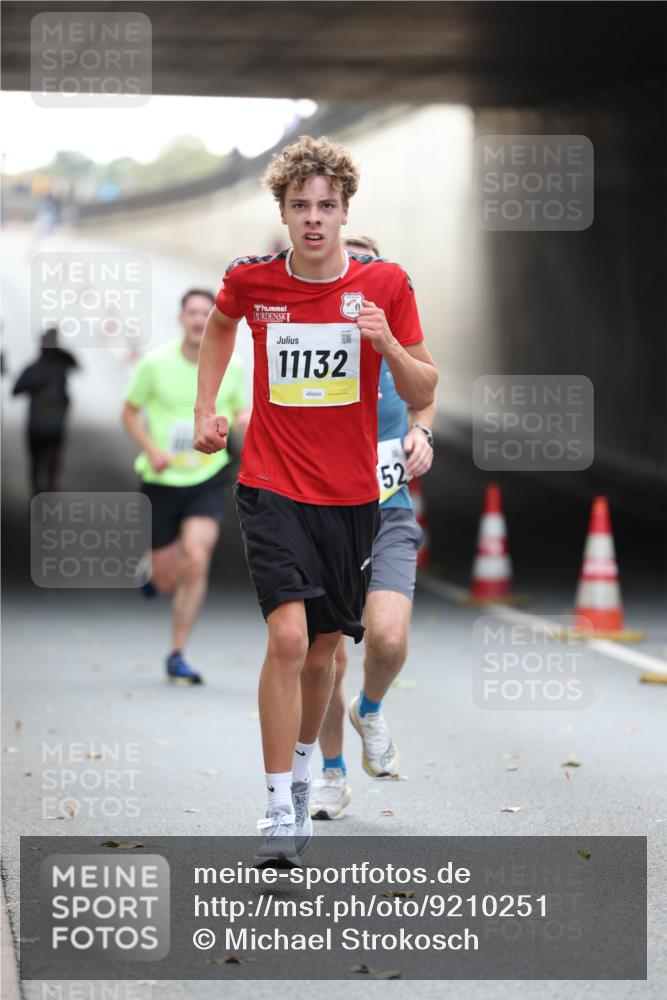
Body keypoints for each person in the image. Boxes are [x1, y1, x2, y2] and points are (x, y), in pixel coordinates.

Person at [194, 135, 438, 859]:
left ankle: (305, 778)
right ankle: (276, 806)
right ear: (282, 210)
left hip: (355, 494)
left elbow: (425, 386)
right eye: (299, 205)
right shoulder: (252, 280)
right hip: (271, 484)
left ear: (343, 212)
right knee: (289, 639)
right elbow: (219, 325)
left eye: (325, 206)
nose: (312, 218)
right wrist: (208, 406)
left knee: (325, 652)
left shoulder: (387, 284)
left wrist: (385, 342)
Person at [310, 236, 436, 820]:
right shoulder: (310, 339)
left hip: (387, 509)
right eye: (347, 260)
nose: (354, 270)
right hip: (324, 512)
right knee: (328, 656)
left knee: (386, 639)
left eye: (365, 261)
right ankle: (332, 774)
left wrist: (423, 433)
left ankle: (371, 706)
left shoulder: (390, 333)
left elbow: (426, 387)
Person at [122, 288, 250, 685]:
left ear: (214, 320)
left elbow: (242, 408)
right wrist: (152, 449)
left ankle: (177, 652)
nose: (198, 320)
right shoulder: (155, 364)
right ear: (180, 319)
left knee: (197, 555)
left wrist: (242, 421)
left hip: (207, 475)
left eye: (205, 313)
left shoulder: (234, 365)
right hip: (161, 477)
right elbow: (129, 413)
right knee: (164, 579)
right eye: (192, 313)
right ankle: (153, 569)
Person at [12, 327, 79, 494]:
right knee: (36, 459)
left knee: (53, 456)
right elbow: (15, 390)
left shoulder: (60, 364)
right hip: (37, 423)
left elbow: (75, 364)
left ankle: (50, 487)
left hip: (55, 421)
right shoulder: (33, 369)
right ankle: (36, 488)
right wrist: (33, 386)